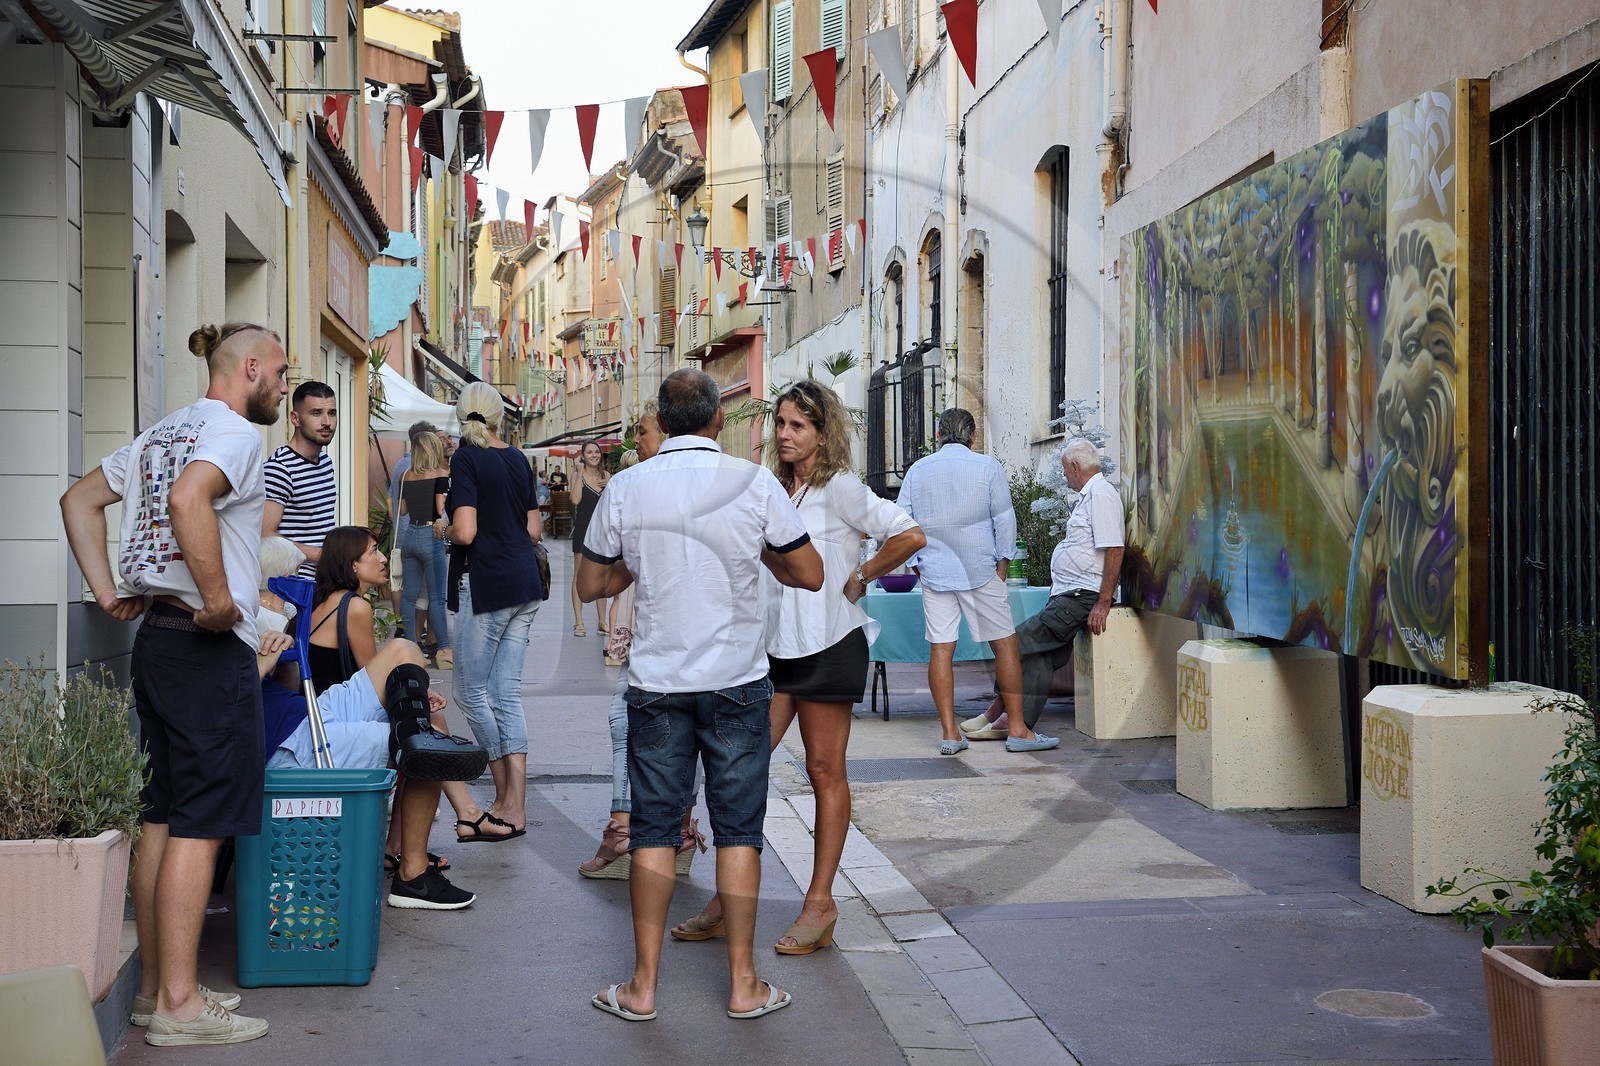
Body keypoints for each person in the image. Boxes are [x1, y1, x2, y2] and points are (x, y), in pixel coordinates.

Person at [60, 321, 288, 1046]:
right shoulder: (233, 434)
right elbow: (191, 500)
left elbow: (76, 500)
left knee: (163, 815)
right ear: (249, 369)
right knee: (201, 821)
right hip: (203, 645)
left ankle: (156, 990)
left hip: (155, 638)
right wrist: (219, 600)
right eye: (281, 374)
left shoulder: (161, 433)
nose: (283, 388)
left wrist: (108, 591)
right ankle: (181, 1007)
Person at [577, 369, 823, 1022]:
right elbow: (810, 573)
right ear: (718, 420)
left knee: (654, 831)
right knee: (739, 831)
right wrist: (755, 553)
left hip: (658, 686)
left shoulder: (628, 486)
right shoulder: (753, 482)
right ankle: (744, 985)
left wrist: (640, 562)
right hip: (737, 682)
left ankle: (642, 987)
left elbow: (590, 585)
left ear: (661, 420)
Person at [671, 380, 925, 954]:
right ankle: (729, 897)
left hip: (829, 643)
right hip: (771, 650)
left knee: (823, 770)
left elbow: (910, 534)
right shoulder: (771, 488)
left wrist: (861, 576)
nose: (784, 434)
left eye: (798, 426)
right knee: (741, 769)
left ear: (822, 434)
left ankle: (820, 902)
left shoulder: (842, 488)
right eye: (781, 423)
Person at [581, 404, 710, 879]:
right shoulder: (685, 484)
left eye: (643, 431)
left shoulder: (642, 487)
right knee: (683, 731)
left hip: (668, 632)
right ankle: (676, 831)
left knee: (628, 721)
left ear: (669, 433)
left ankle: (624, 831)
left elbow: (595, 580)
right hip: (682, 632)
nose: (636, 439)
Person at [897, 408, 1052, 754]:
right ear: (973, 436)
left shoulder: (918, 470)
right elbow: (1004, 519)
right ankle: (1017, 730)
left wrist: (915, 564)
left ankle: (950, 734)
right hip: (981, 569)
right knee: (1005, 646)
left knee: (941, 648)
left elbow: (903, 522)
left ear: (939, 435)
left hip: (935, 571)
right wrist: (1003, 564)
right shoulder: (987, 466)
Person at [960, 439, 1126, 746]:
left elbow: (1115, 548)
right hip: (1070, 594)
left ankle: (998, 713)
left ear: (1075, 467)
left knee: (1015, 643)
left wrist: (1103, 602)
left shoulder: (1100, 494)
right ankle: (1016, 726)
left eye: (1064, 469)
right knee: (1041, 658)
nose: (1064, 476)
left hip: (1081, 596)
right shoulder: (1091, 496)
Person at [442, 382, 544, 841]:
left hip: (487, 583)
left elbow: (464, 531)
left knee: (469, 693)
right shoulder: (518, 458)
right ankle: (515, 805)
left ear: (461, 415)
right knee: (505, 693)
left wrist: (442, 529)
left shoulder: (466, 458)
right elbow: (534, 531)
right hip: (524, 583)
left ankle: (504, 796)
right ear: (499, 417)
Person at [262, 380, 338, 575]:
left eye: (331, 413)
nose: (327, 422)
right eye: (316, 413)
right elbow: (265, 536)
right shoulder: (279, 469)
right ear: (295, 419)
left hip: (325, 581)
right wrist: (324, 556)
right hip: (292, 584)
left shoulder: (325, 463)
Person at [397, 429, 452, 668]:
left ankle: (411, 648)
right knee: (437, 598)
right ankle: (444, 651)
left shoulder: (406, 475)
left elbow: (402, 511)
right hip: (431, 536)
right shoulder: (441, 473)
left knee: (409, 596)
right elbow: (440, 509)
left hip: (410, 535)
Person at [569, 438, 609, 636]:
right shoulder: (578, 475)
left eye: (597, 452)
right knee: (579, 574)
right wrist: (578, 475)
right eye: (590, 452)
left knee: (602, 575)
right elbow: (575, 500)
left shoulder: (606, 475)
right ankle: (579, 622)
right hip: (583, 529)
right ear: (583, 456)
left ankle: (602, 621)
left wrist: (610, 484)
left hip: (602, 530)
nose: (594, 455)